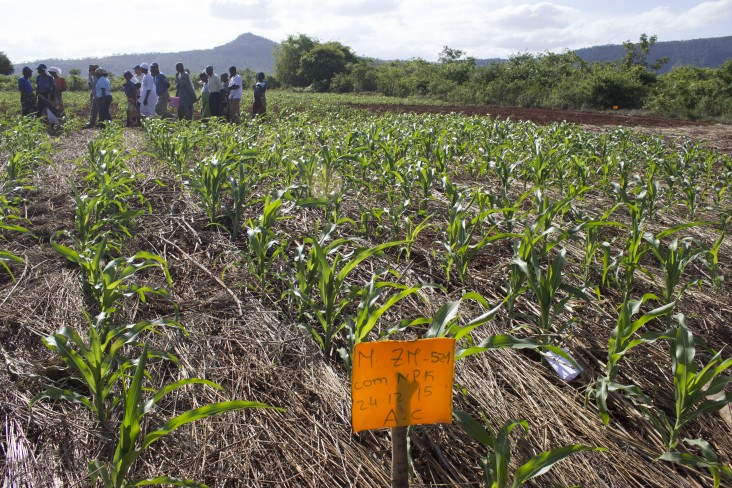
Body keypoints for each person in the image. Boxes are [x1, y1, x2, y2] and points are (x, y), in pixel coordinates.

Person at [85, 64, 99, 128]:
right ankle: (92, 122)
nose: (89, 72)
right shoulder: (92, 76)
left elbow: (94, 85)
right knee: (93, 109)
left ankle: (100, 122)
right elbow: (90, 86)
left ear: (94, 70)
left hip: (98, 95)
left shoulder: (98, 77)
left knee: (98, 109)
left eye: (90, 70)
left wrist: (90, 77)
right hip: (94, 94)